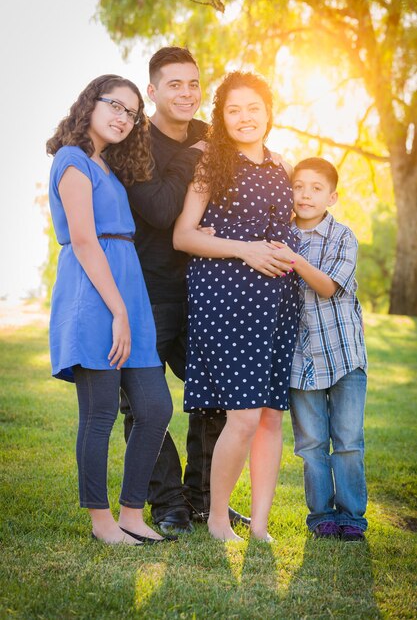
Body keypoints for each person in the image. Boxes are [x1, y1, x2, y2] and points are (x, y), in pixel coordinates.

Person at [122, 47, 249, 534]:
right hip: (148, 291)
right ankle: (168, 503)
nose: (187, 93)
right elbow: (156, 209)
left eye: (193, 83)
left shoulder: (211, 135)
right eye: (174, 84)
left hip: (207, 290)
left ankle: (203, 499)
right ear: (152, 91)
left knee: (217, 396)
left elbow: (243, 180)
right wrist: (193, 158)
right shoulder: (133, 143)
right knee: (145, 404)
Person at [46, 74, 174, 546]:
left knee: (156, 407)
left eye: (131, 112)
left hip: (129, 294)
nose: (123, 117)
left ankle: (132, 514)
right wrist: (117, 310)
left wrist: (128, 308)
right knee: (99, 413)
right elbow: (83, 239)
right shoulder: (72, 160)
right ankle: (102, 523)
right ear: (90, 104)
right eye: (115, 106)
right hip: (94, 295)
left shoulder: (109, 166)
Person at [173, 71, 299, 541]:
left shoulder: (280, 165)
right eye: (234, 110)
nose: (245, 118)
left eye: (254, 108)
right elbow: (183, 235)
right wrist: (244, 250)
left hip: (278, 299)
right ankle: (217, 518)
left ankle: (261, 525)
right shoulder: (212, 163)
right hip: (227, 296)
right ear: (221, 117)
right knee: (243, 415)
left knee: (269, 415)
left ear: (269, 112)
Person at [277, 157, 368, 541]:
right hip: (300, 359)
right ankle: (321, 517)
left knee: (347, 441)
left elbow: (328, 287)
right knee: (311, 443)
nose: (305, 195)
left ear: (331, 196)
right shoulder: (279, 235)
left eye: (316, 188)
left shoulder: (344, 237)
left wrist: (293, 258)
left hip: (343, 356)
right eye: (298, 186)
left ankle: (352, 518)